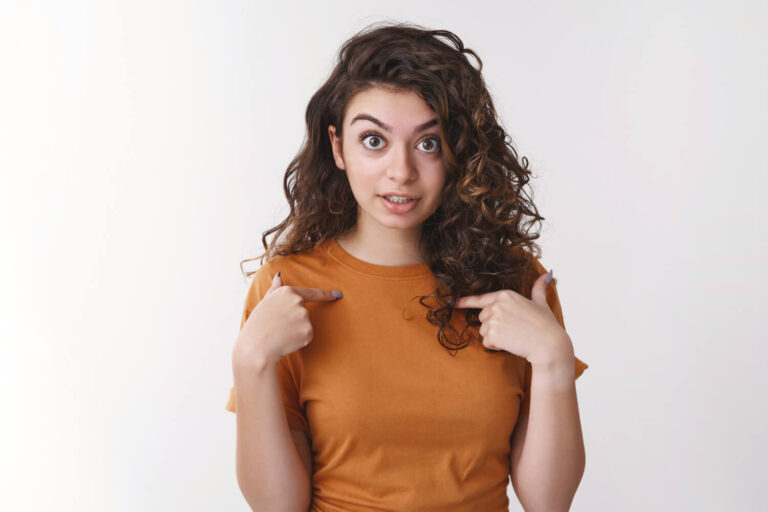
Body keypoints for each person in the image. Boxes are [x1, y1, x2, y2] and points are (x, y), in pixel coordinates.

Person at [225, 21, 589, 512]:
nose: (401, 171)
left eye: (428, 143)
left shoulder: (515, 283)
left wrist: (553, 361)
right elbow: (277, 507)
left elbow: (549, 502)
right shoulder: (287, 289)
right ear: (337, 147)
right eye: (373, 140)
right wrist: (250, 363)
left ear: (459, 152)